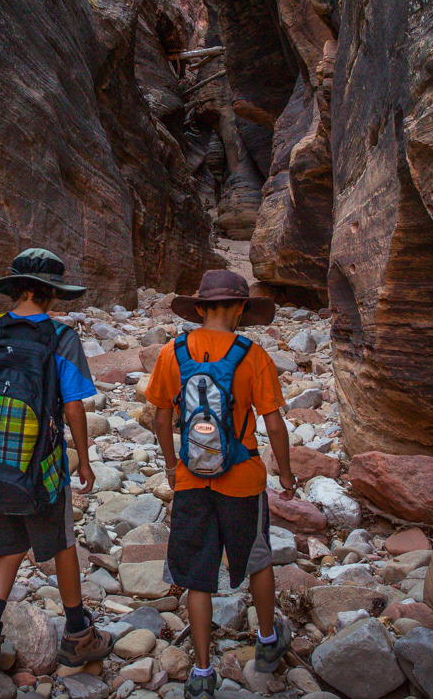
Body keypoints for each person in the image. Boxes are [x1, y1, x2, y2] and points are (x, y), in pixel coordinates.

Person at [0, 248, 112, 674]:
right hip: (42, 467)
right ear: (52, 296)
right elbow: (75, 408)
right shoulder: (62, 339)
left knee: (9, 548)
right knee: (61, 544)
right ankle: (79, 634)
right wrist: (83, 461)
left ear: (16, 289)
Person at [145, 270, 295, 699]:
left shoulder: (172, 353)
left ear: (199, 308)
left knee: (197, 574)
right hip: (243, 477)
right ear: (241, 308)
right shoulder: (253, 355)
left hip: (192, 477)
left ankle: (203, 672)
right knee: (257, 560)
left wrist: (173, 466)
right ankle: (268, 644)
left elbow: (160, 417)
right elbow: (274, 424)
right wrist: (285, 474)